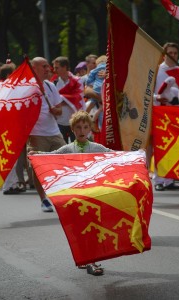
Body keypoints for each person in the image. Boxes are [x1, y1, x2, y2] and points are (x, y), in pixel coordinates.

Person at [29, 110, 115, 275]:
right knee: (80, 229)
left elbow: (114, 156)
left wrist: (135, 155)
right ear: (73, 130)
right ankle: (85, 258)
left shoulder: (96, 147)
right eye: (78, 127)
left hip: (92, 194)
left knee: (93, 228)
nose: (82, 131)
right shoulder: (68, 148)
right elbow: (51, 156)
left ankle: (91, 261)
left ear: (90, 129)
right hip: (75, 195)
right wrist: (37, 154)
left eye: (85, 127)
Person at [28, 57, 66, 212]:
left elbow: (59, 110)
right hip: (37, 135)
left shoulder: (50, 86)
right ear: (34, 68)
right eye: (44, 66)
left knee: (66, 162)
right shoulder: (27, 88)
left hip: (54, 132)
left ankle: (62, 194)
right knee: (38, 167)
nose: (48, 68)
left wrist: (55, 111)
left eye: (48, 66)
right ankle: (44, 199)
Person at [152, 42, 179, 191]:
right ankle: (159, 179)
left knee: (174, 147)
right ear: (164, 54)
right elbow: (149, 92)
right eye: (170, 53)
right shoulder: (157, 70)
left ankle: (170, 180)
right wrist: (157, 97)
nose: (173, 56)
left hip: (176, 114)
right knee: (160, 147)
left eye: (175, 53)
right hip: (160, 114)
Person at [52, 56, 85, 143]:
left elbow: (78, 97)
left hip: (74, 121)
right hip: (60, 121)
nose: (54, 70)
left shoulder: (77, 81)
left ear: (65, 67)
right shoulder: (54, 83)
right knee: (62, 148)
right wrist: (64, 100)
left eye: (57, 68)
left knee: (77, 147)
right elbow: (53, 100)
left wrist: (61, 100)